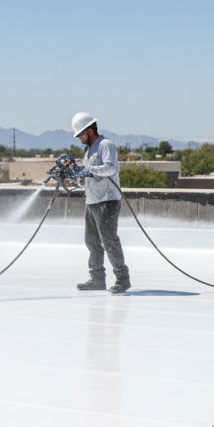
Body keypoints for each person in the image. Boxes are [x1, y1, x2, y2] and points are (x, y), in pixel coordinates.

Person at [71, 111, 131, 294]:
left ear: (89, 131)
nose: (80, 138)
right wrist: (77, 173)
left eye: (81, 134)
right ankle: (97, 279)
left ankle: (122, 279)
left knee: (109, 240)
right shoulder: (88, 150)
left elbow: (110, 167)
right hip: (92, 201)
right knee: (92, 241)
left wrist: (89, 171)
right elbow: (89, 173)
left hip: (107, 200)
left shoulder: (106, 145)